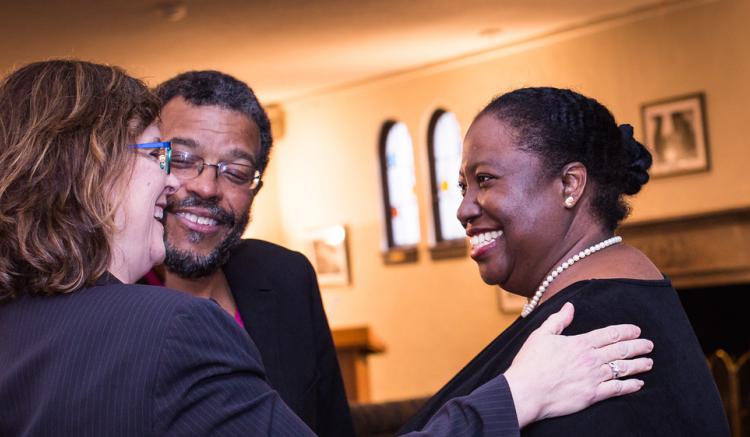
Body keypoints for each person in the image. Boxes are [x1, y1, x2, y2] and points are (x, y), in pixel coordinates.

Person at [0, 60, 655, 436]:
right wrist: (519, 392)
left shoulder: (19, 329)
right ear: (95, 169)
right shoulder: (171, 330)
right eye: (160, 154)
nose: (180, 183)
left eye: (233, 169)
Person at [399, 87, 729, 436]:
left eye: (485, 180)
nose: (463, 209)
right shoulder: (602, 303)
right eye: (464, 187)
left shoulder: (590, 335)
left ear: (570, 184)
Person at [142, 70, 355, 436]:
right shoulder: (102, 296)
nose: (207, 187)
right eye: (181, 158)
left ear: (255, 187)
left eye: (236, 172)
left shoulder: (286, 276)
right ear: (144, 160)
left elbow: (331, 423)